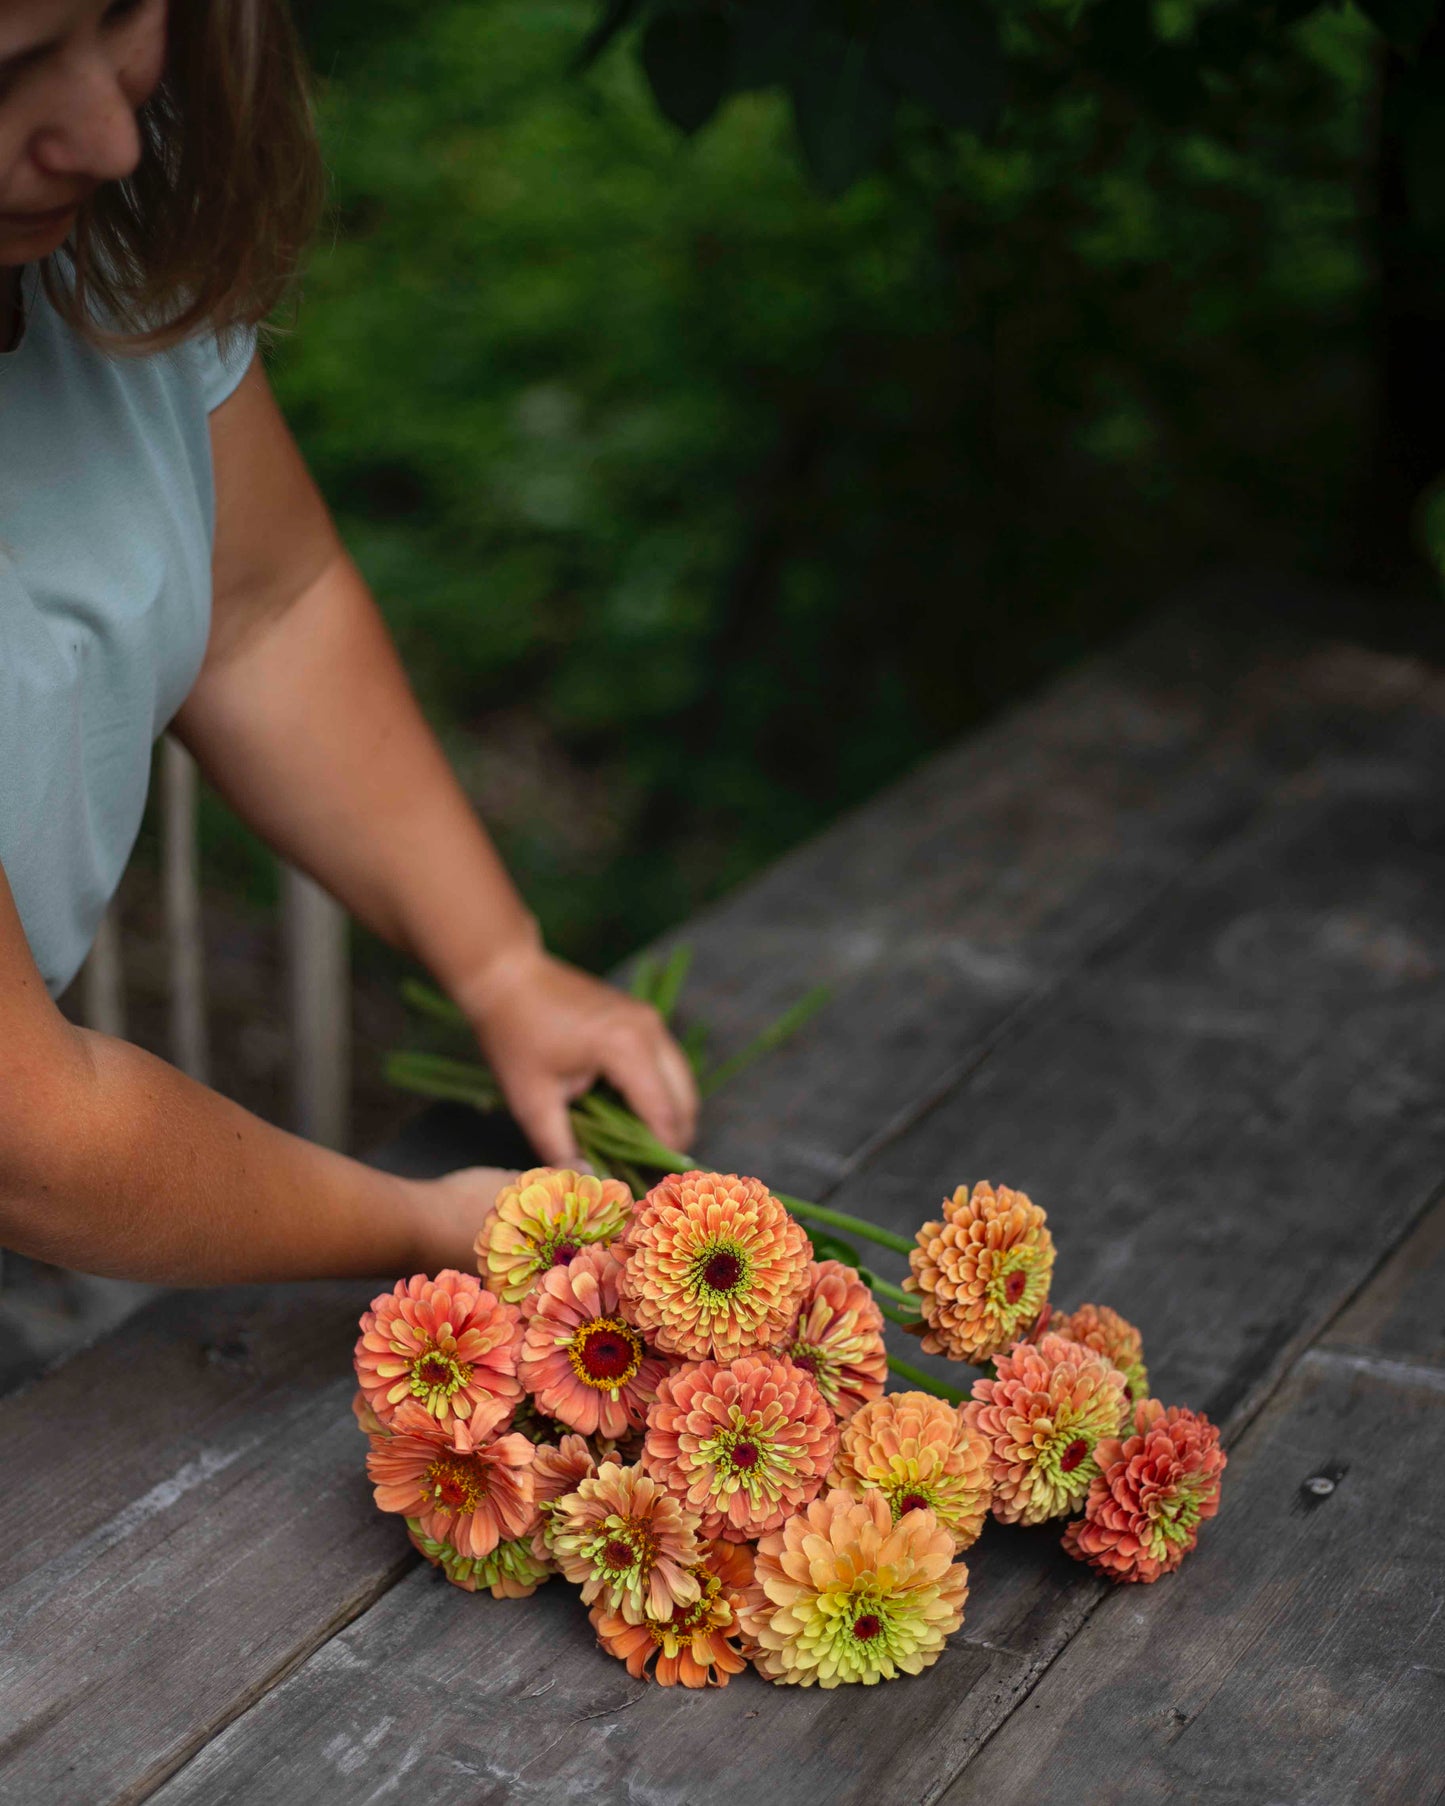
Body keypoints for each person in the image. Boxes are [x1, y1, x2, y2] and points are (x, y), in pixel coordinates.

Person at [0, 0, 698, 1287]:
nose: (108, 137)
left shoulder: (93, 231)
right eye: (10, 73)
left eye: (124, 12)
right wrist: (427, 1223)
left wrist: (501, 966)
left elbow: (264, 606)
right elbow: (30, 1133)